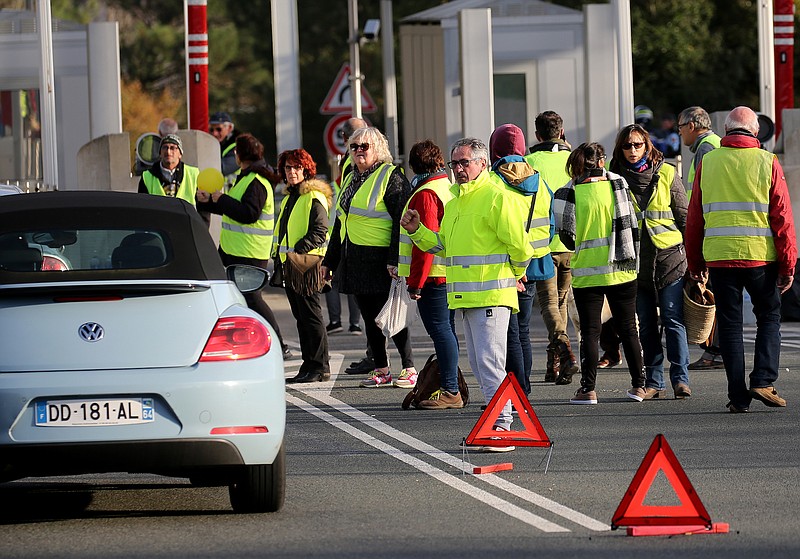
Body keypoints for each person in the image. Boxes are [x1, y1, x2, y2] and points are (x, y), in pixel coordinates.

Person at [401, 137, 534, 451]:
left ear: (482, 163)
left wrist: (514, 274)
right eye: (454, 163)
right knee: (479, 362)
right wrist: (417, 231)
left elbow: (521, 247)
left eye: (465, 162)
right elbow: (443, 247)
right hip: (469, 297)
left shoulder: (496, 196)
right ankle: (497, 424)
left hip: (491, 295)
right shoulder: (457, 201)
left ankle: (501, 428)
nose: (458, 169)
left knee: (489, 362)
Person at [685, 106, 797, 413]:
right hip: (761, 258)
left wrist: (695, 264)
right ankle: (763, 379)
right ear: (756, 132)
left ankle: (738, 397)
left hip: (720, 258)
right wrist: (789, 265)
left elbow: (694, 219)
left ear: (725, 129)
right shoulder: (767, 161)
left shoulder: (708, 162)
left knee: (731, 327)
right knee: (769, 317)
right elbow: (782, 218)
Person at [321, 127, 417, 388]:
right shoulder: (350, 177)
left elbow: (402, 220)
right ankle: (381, 368)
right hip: (355, 258)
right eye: (354, 147)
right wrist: (330, 261)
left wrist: (395, 259)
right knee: (370, 317)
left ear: (378, 149)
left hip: (382, 259)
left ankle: (409, 367)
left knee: (391, 315)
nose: (359, 151)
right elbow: (341, 222)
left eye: (365, 146)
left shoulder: (391, 176)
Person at [553, 142, 646, 405]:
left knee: (590, 332)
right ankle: (639, 386)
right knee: (629, 329)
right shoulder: (619, 186)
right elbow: (633, 219)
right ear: (602, 162)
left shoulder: (566, 194)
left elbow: (567, 239)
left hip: (587, 273)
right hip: (622, 269)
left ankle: (588, 390)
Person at [610, 123, 691, 399]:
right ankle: (654, 382)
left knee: (672, 319)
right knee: (645, 324)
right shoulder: (614, 179)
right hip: (635, 263)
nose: (632, 151)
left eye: (638, 145)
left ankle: (681, 380)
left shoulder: (667, 173)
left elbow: (684, 217)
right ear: (620, 149)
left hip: (669, 258)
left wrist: (696, 262)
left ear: (647, 145)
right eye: (627, 146)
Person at [195, 133, 291, 361]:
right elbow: (233, 210)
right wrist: (206, 202)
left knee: (253, 298)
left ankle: (279, 344)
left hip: (249, 252)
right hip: (233, 250)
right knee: (231, 297)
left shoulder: (257, 180)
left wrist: (222, 200)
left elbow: (248, 214)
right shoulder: (246, 177)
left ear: (239, 154)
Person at [488, 124, 552, 396]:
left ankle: (516, 392)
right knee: (522, 331)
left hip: (508, 265)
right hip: (536, 263)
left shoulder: (493, 181)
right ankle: (523, 390)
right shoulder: (539, 179)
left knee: (508, 333)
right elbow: (553, 222)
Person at [399, 139, 462, 406]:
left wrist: (416, 283)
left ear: (413, 165)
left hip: (434, 275)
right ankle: (451, 386)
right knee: (447, 331)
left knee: (440, 332)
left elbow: (424, 242)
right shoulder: (447, 187)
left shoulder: (425, 193)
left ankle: (450, 389)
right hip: (449, 272)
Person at [524, 111, 580, 384]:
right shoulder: (573, 161)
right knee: (560, 302)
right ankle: (554, 363)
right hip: (570, 242)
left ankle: (564, 350)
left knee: (548, 304)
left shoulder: (529, 162)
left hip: (542, 244)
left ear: (537, 135)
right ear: (561, 131)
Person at [273, 149, 333, 383]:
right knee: (302, 317)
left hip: (307, 265)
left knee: (311, 316)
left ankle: (319, 367)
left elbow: (320, 231)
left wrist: (298, 249)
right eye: (288, 168)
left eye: (297, 167)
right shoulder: (291, 197)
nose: (292, 172)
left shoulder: (312, 196)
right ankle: (309, 366)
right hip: (292, 265)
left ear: (306, 169)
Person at [678, 106, 724, 371]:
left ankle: (715, 351)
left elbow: (702, 193)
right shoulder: (711, 144)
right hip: (713, 229)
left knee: (712, 291)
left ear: (692, 125)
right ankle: (715, 350)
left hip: (709, 230)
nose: (680, 133)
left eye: (681, 127)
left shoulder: (707, 148)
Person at [326, 117, 366, 338]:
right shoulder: (379, 167)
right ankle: (354, 323)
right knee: (352, 281)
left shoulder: (343, 176)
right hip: (358, 237)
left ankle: (336, 321)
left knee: (335, 279)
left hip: (346, 235)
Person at [138, 134, 198, 206]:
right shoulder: (147, 176)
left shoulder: (194, 174)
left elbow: (203, 206)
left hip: (186, 217)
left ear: (180, 154)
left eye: (172, 148)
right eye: (165, 148)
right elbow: (142, 207)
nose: (168, 152)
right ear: (160, 153)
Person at [209, 111, 241, 185]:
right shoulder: (215, 145)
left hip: (234, 193)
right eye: (211, 130)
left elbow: (223, 168)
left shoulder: (239, 146)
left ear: (229, 128)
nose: (214, 133)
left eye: (219, 129)